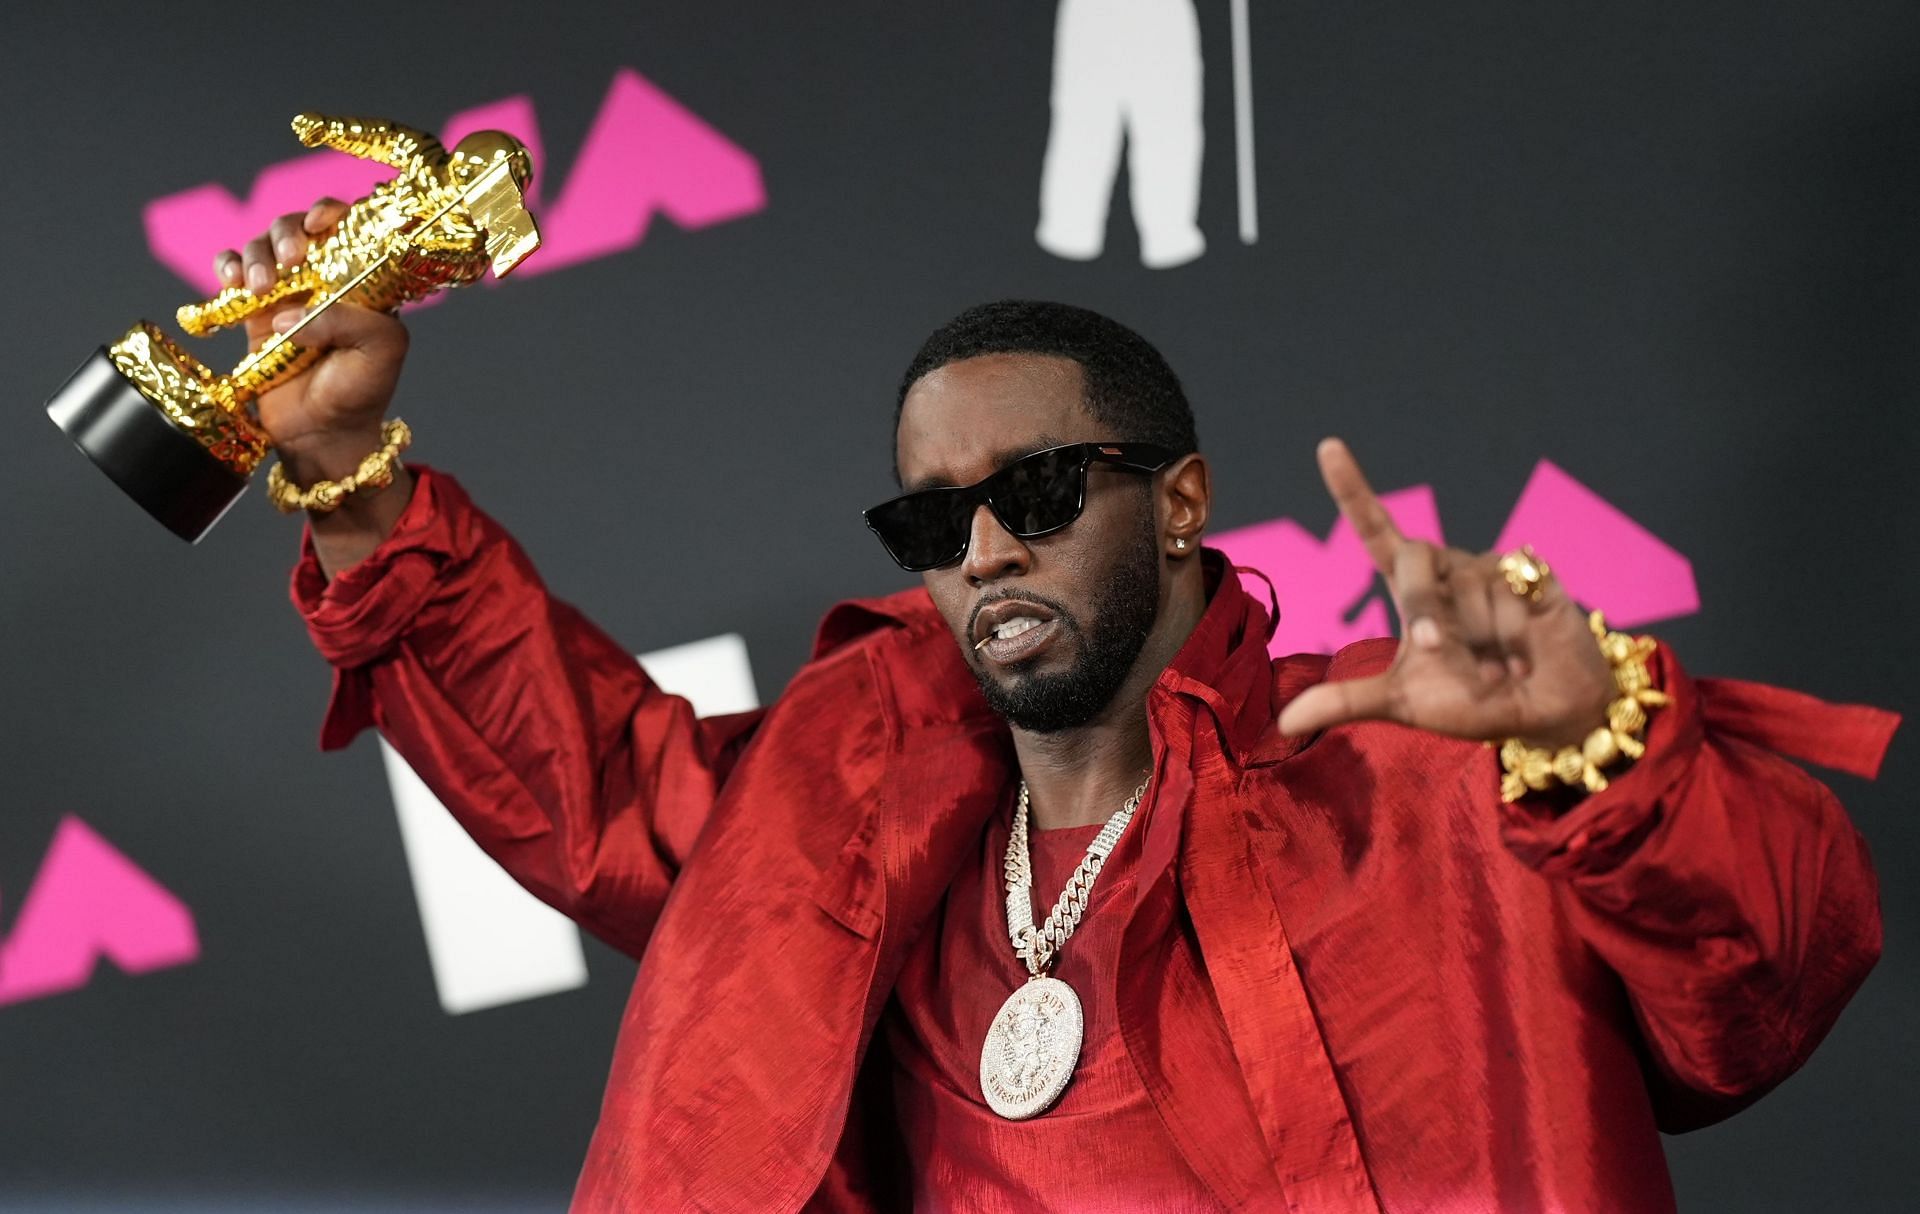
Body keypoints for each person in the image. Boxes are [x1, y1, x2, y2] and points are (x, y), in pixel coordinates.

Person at [220, 202, 1892, 1213]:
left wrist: (1599, 746)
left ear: (1179, 502)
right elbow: (583, 780)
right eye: (929, 520)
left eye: (1034, 487)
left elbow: (1773, 980)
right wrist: (345, 484)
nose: (985, 546)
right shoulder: (844, 801)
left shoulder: (1423, 775)